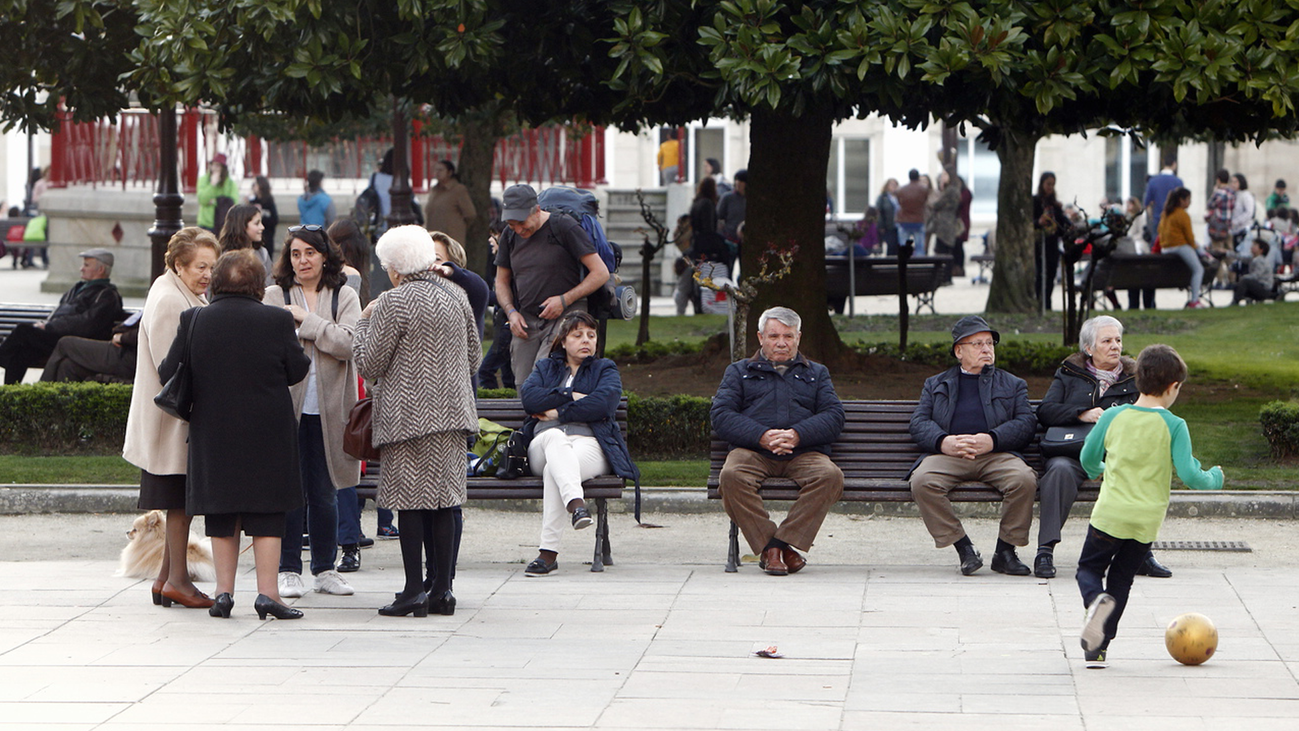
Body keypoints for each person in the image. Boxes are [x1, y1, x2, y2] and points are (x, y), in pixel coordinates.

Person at [160, 249, 311, 620]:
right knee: (268, 512)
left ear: (217, 282)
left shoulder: (195, 319)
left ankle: (223, 593)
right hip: (268, 432)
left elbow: (168, 370)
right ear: (259, 285)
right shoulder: (276, 320)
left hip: (213, 431)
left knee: (222, 511)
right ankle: (268, 594)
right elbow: (297, 369)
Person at [354, 225, 480, 618]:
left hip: (408, 418)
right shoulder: (456, 295)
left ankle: (412, 591)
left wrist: (362, 322)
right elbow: (474, 357)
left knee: (409, 504)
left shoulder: (395, 301)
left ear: (393, 268)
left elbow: (368, 362)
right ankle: (442, 590)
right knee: (444, 501)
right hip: (455, 415)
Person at [1077, 344, 1223, 668]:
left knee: (1088, 569)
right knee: (1122, 579)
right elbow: (1190, 474)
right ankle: (1098, 649)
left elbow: (1088, 456)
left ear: (1137, 378)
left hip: (1110, 514)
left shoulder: (1113, 415)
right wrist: (1215, 478)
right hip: (1145, 522)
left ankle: (1093, 602)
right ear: (1173, 387)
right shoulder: (1174, 425)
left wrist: (1098, 471)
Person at [122, 227, 220, 609]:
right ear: (179, 264)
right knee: (180, 504)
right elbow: (172, 371)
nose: (207, 274)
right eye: (200, 266)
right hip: (171, 425)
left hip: (171, 425)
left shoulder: (177, 293)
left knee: (181, 504)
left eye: (212, 266)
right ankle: (177, 580)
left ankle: (166, 578)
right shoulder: (169, 301)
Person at [265, 224, 362, 601]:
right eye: (295, 254)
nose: (302, 260)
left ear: (325, 255)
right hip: (286, 408)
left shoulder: (343, 295)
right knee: (289, 491)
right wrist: (323, 333)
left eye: (309, 252)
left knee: (325, 491)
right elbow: (273, 343)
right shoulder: (275, 294)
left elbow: (349, 343)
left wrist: (305, 322)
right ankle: (288, 568)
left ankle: (325, 568)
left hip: (331, 409)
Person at [1034, 316, 1172, 580]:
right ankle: (1045, 551)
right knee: (1059, 471)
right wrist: (1080, 413)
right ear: (1089, 348)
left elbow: (1153, 414)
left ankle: (1142, 555)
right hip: (1073, 453)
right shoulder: (1069, 374)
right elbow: (1046, 411)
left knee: (1134, 475)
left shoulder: (1136, 377)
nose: (1115, 346)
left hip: (1118, 456)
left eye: (1118, 340)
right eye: (1107, 341)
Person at [712, 307, 845, 576]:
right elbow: (721, 415)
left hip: (803, 452)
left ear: (799, 337)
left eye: (788, 336)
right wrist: (761, 436)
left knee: (830, 476)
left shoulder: (816, 373)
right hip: (753, 451)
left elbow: (834, 416)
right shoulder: (739, 371)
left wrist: (797, 434)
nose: (781, 343)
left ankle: (777, 546)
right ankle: (775, 548)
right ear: (760, 337)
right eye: (774, 336)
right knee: (731, 476)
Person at [909, 316, 1038, 576]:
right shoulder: (936, 383)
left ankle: (1005, 551)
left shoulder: (1013, 384)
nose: (986, 349)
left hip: (996, 454)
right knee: (922, 480)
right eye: (977, 343)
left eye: (989, 343)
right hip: (951, 455)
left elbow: (1026, 422)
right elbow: (919, 421)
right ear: (959, 351)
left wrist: (992, 439)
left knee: (1024, 478)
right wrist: (943, 442)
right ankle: (964, 548)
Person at [518, 311, 640, 576]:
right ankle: (576, 504)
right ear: (563, 341)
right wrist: (570, 394)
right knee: (553, 438)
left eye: (591, 335)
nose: (586, 340)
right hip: (543, 445)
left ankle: (547, 555)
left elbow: (603, 403)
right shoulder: (545, 368)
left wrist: (558, 411)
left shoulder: (604, 369)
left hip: (589, 445)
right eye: (577, 335)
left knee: (555, 470)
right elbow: (530, 400)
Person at [494, 184, 610, 386]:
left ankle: (556, 417)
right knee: (523, 383)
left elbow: (600, 273)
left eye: (522, 223)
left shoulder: (564, 227)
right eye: (512, 225)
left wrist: (565, 300)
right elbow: (501, 280)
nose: (519, 230)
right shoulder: (510, 235)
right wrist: (511, 312)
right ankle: (530, 419)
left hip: (566, 314)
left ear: (537, 210)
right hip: (527, 318)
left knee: (546, 375)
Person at [0, 248, 123, 384]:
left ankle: (2, 356)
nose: (81, 268)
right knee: (22, 351)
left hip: (75, 342)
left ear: (100, 270)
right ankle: (7, 395)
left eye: (86, 265)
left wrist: (49, 326)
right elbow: (60, 313)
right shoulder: (77, 289)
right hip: (57, 336)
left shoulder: (107, 295)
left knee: (23, 331)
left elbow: (86, 324)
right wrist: (45, 324)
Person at [40, 312, 139, 383]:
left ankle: (39, 395)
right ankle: (60, 409)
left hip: (129, 357)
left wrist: (122, 337)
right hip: (127, 352)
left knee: (65, 344)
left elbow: (143, 334)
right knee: (67, 366)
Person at [477, 224, 516, 390]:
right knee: (508, 375)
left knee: (485, 370)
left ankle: (492, 403)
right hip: (503, 326)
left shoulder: (512, 267)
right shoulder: (499, 266)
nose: (489, 240)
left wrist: (481, 295)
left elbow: (506, 297)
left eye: (494, 235)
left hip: (508, 326)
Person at [1157, 187, 1206, 308]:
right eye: (1188, 199)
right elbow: (1189, 237)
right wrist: (1197, 248)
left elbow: (1159, 231)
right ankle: (1194, 300)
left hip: (1165, 248)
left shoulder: (1165, 214)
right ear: (1181, 200)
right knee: (1198, 269)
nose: (1190, 202)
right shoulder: (1183, 215)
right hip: (1179, 246)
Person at [1033, 172, 1070, 310]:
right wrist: (1038, 222)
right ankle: (1039, 302)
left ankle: (1047, 302)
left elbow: (1061, 223)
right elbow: (1029, 222)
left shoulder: (1055, 204)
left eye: (1052, 184)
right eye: (1048, 184)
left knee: (1051, 274)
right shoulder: (1035, 201)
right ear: (1042, 184)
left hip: (1052, 244)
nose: (1050, 187)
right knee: (1040, 274)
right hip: (1039, 243)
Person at [424, 159, 477, 247]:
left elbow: (470, 214)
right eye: (436, 170)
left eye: (441, 170)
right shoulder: (434, 189)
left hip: (451, 238)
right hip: (434, 236)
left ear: (449, 172)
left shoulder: (458, 190)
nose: (437, 173)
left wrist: (457, 227)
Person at [217, 203, 273, 280]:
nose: (262, 227)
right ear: (242, 226)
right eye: (257, 223)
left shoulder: (263, 253)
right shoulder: (222, 257)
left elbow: (270, 284)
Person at [1121, 196, 1156, 310]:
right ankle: (1146, 303)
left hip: (1138, 247)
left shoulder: (1139, 216)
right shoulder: (1129, 217)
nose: (1127, 207)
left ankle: (1137, 304)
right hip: (1136, 248)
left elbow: (1138, 233)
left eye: (1129, 204)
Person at [930, 171, 965, 277]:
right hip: (945, 224)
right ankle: (945, 276)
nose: (942, 177)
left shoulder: (950, 190)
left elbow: (936, 204)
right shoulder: (951, 190)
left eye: (945, 175)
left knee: (944, 251)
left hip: (946, 225)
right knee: (944, 251)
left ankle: (945, 276)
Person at [197, 153, 239, 233]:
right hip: (206, 223)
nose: (215, 169)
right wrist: (212, 185)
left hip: (223, 222)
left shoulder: (230, 183)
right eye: (214, 165)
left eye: (218, 166)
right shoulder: (203, 180)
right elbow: (202, 199)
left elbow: (233, 202)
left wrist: (215, 201)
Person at [1141, 156, 1182, 240]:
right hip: (1173, 220)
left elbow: (1147, 203)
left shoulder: (1153, 181)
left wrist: (1151, 216)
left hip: (1157, 218)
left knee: (1156, 245)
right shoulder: (1178, 182)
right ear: (1174, 164)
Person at [716, 169, 747, 264]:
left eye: (741, 181)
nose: (738, 183)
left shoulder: (751, 199)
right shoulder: (727, 198)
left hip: (745, 241)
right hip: (729, 240)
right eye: (737, 180)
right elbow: (719, 216)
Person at [1232, 238, 1276, 304]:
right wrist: (1227, 253)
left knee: (1245, 281)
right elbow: (1241, 258)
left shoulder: (1260, 261)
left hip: (1264, 288)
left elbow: (1256, 275)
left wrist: (1244, 277)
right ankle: (1243, 299)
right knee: (1237, 284)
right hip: (1258, 285)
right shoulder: (1253, 258)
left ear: (1261, 250)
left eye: (1255, 245)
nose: (1251, 247)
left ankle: (1235, 301)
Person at [894, 169, 927, 253]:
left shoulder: (901, 190)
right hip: (919, 220)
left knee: (904, 246)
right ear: (918, 177)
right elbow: (926, 202)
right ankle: (919, 264)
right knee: (919, 246)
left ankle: (904, 263)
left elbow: (899, 202)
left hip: (904, 220)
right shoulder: (924, 189)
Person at [249, 175, 279, 260]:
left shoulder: (269, 201)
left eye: (255, 184)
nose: (253, 186)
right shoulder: (253, 201)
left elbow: (274, 220)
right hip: (254, 239)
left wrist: (262, 215)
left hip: (267, 237)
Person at [1230, 173, 1257, 250]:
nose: (1233, 184)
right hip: (1235, 230)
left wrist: (1236, 221)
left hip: (1244, 229)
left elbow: (1249, 212)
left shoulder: (1246, 195)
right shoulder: (1234, 195)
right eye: (1232, 182)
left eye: (1235, 182)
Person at [874, 178, 900, 255]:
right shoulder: (882, 197)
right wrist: (881, 225)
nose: (894, 187)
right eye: (891, 185)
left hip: (899, 225)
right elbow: (879, 212)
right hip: (888, 226)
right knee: (891, 245)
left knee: (899, 246)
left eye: (895, 185)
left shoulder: (899, 197)